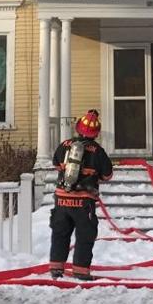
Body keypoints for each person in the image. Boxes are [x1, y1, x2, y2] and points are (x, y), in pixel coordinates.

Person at [49, 109, 114, 281]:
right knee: (85, 236)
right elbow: (107, 175)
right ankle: (81, 271)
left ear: (78, 128)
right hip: (84, 202)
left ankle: (56, 269)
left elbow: (56, 163)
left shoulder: (64, 145)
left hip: (62, 199)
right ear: (96, 132)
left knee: (60, 234)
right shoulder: (97, 151)